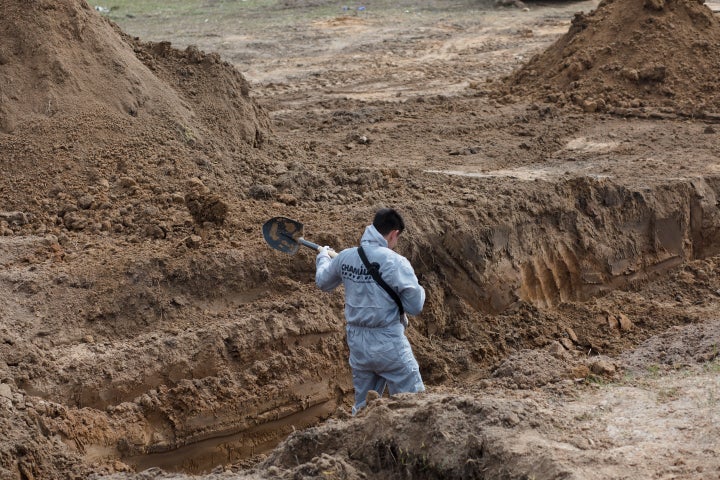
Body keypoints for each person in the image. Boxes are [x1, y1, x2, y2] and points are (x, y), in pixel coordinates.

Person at [315, 208, 426, 415]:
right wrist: (418, 289)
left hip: (357, 343)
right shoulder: (395, 262)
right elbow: (415, 306)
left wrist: (323, 257)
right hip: (388, 341)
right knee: (414, 405)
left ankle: (358, 439)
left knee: (364, 406)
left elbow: (323, 282)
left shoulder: (346, 257)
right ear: (394, 234)